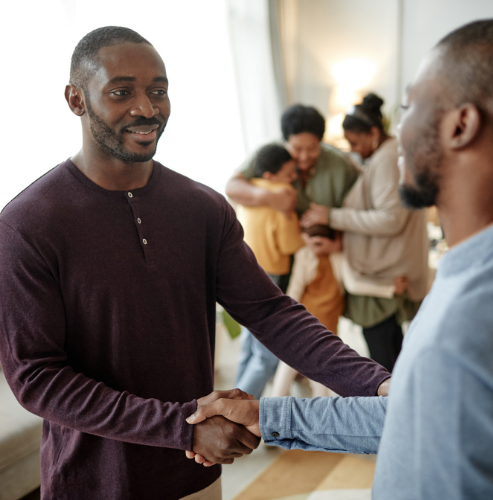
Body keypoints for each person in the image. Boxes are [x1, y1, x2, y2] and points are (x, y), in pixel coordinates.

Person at [0, 27, 391, 500]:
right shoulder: (27, 223)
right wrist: (182, 428)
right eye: (122, 91)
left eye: (158, 91)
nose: (147, 108)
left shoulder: (202, 207)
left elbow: (271, 313)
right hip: (94, 482)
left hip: (198, 475)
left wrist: (378, 385)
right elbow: (37, 378)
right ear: (76, 99)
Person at [186, 18, 493, 499]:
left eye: (408, 106)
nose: (394, 137)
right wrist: (265, 416)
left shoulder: (473, 319)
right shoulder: (466, 281)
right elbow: (407, 419)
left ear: (462, 125)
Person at [301, 93, 428, 372]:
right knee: (391, 352)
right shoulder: (384, 156)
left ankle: (390, 411)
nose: (354, 150)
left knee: (386, 360)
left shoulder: (386, 160)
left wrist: (331, 216)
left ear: (373, 133)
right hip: (381, 272)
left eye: (356, 143)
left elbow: (391, 219)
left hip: (383, 277)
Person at [272, 225, 407, 398]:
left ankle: (310, 421)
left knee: (315, 385)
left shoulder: (338, 257)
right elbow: (294, 292)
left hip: (323, 332)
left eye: (319, 241)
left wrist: (389, 288)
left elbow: (354, 285)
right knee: (290, 381)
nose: (315, 244)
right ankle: (268, 420)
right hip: (304, 329)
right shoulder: (305, 255)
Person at [235, 144, 304, 399]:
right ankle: (235, 414)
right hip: (270, 277)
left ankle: (232, 397)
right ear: (270, 176)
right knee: (266, 356)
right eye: (289, 173)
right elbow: (290, 244)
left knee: (249, 346)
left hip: (243, 270)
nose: (293, 177)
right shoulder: (283, 194)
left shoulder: (251, 190)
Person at [225, 104, 360, 220]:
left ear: (321, 142)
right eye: (297, 148)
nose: (304, 156)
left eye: (312, 148)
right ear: (285, 142)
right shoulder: (269, 153)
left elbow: (353, 212)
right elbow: (232, 186)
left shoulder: (340, 164)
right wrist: (269, 197)